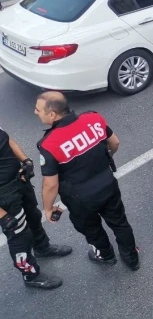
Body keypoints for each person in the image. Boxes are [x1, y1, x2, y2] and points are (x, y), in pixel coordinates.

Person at [35, 92, 140, 271]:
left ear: (52, 114)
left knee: (92, 229)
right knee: (119, 222)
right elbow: (114, 143)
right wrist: (105, 160)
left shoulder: (48, 144)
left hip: (80, 199)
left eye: (38, 110)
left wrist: (48, 208)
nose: (36, 112)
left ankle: (106, 256)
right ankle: (131, 258)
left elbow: (50, 184)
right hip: (108, 185)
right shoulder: (94, 118)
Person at [0, 128, 70, 290]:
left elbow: (6, 139)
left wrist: (25, 161)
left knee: (33, 216)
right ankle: (30, 275)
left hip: (18, 179)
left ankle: (42, 247)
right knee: (18, 234)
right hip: (4, 194)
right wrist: (3, 216)